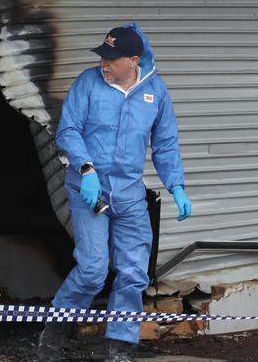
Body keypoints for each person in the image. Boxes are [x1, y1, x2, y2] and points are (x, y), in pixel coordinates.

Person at [37, 23, 192, 362]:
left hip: (130, 195)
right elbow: (68, 130)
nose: (104, 63)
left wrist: (177, 186)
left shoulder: (156, 92)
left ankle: (120, 346)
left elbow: (165, 144)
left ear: (133, 60)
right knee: (93, 270)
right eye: (102, 56)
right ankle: (54, 331)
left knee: (134, 273)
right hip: (89, 191)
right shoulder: (87, 84)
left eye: (111, 58)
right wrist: (87, 168)